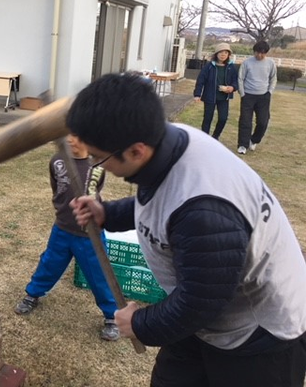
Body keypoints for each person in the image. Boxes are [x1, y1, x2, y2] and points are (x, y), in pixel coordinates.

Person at [67, 73, 306, 387]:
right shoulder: (167, 140)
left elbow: (200, 303)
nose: (99, 165)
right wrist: (107, 214)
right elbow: (161, 201)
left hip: (260, 337)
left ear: (136, 151)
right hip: (205, 318)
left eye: (100, 158)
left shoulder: (204, 211)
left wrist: (140, 323)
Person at [14, 134, 119, 341]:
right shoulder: (57, 161)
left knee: (100, 274)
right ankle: (33, 294)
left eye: (78, 135)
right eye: (67, 134)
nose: (70, 140)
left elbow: (96, 191)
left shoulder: (97, 164)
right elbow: (57, 189)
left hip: (90, 235)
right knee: (49, 263)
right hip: (62, 229)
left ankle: (111, 316)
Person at [236, 40, 277, 154]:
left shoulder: (270, 63)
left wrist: (269, 91)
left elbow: (273, 78)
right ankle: (242, 145)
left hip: (263, 96)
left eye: (262, 53)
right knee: (245, 121)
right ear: (254, 52)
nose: (259, 55)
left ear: (266, 53)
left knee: (263, 121)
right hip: (248, 95)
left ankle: (254, 140)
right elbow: (240, 78)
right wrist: (242, 93)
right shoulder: (247, 63)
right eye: (257, 52)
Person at [193, 42, 238, 140]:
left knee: (223, 118)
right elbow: (201, 80)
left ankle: (215, 136)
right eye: (221, 52)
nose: (223, 55)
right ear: (216, 54)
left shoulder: (231, 67)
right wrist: (197, 94)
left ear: (228, 55)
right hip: (210, 96)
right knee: (207, 118)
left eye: (226, 53)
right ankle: (204, 138)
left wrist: (232, 88)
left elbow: (236, 80)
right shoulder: (209, 66)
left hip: (224, 97)